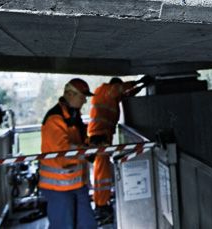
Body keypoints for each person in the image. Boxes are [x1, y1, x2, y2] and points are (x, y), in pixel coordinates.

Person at [40, 78, 98, 229]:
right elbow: (62, 152)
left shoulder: (73, 116)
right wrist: (86, 152)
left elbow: (78, 143)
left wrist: (92, 144)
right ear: (70, 94)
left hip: (77, 184)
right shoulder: (55, 118)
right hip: (59, 188)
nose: (85, 101)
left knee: (87, 225)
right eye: (82, 96)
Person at [87, 77, 146, 223]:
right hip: (98, 136)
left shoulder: (109, 96)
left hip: (101, 136)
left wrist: (142, 86)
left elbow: (125, 95)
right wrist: (137, 81)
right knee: (102, 173)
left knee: (102, 171)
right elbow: (119, 90)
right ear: (115, 84)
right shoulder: (105, 90)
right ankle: (101, 205)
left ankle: (102, 203)